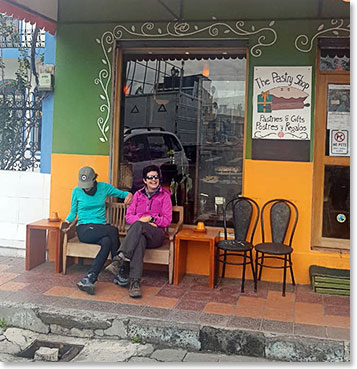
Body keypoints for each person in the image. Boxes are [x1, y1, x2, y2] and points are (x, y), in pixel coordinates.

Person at [62, 166, 133, 295]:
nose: (85, 188)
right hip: (84, 229)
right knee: (112, 230)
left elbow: (122, 194)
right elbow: (73, 212)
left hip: (100, 228)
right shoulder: (76, 191)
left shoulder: (103, 187)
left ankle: (90, 278)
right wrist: (66, 222)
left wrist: (129, 195)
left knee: (107, 241)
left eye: (88, 184)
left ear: (95, 179)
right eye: (83, 185)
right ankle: (119, 267)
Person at [112, 164, 172, 298]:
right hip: (140, 234)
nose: (153, 180)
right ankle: (135, 283)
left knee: (139, 226)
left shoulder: (165, 196)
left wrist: (151, 219)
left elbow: (167, 220)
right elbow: (128, 217)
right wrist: (143, 219)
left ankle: (120, 258)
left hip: (156, 235)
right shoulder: (138, 195)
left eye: (156, 177)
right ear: (144, 180)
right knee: (139, 241)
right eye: (150, 178)